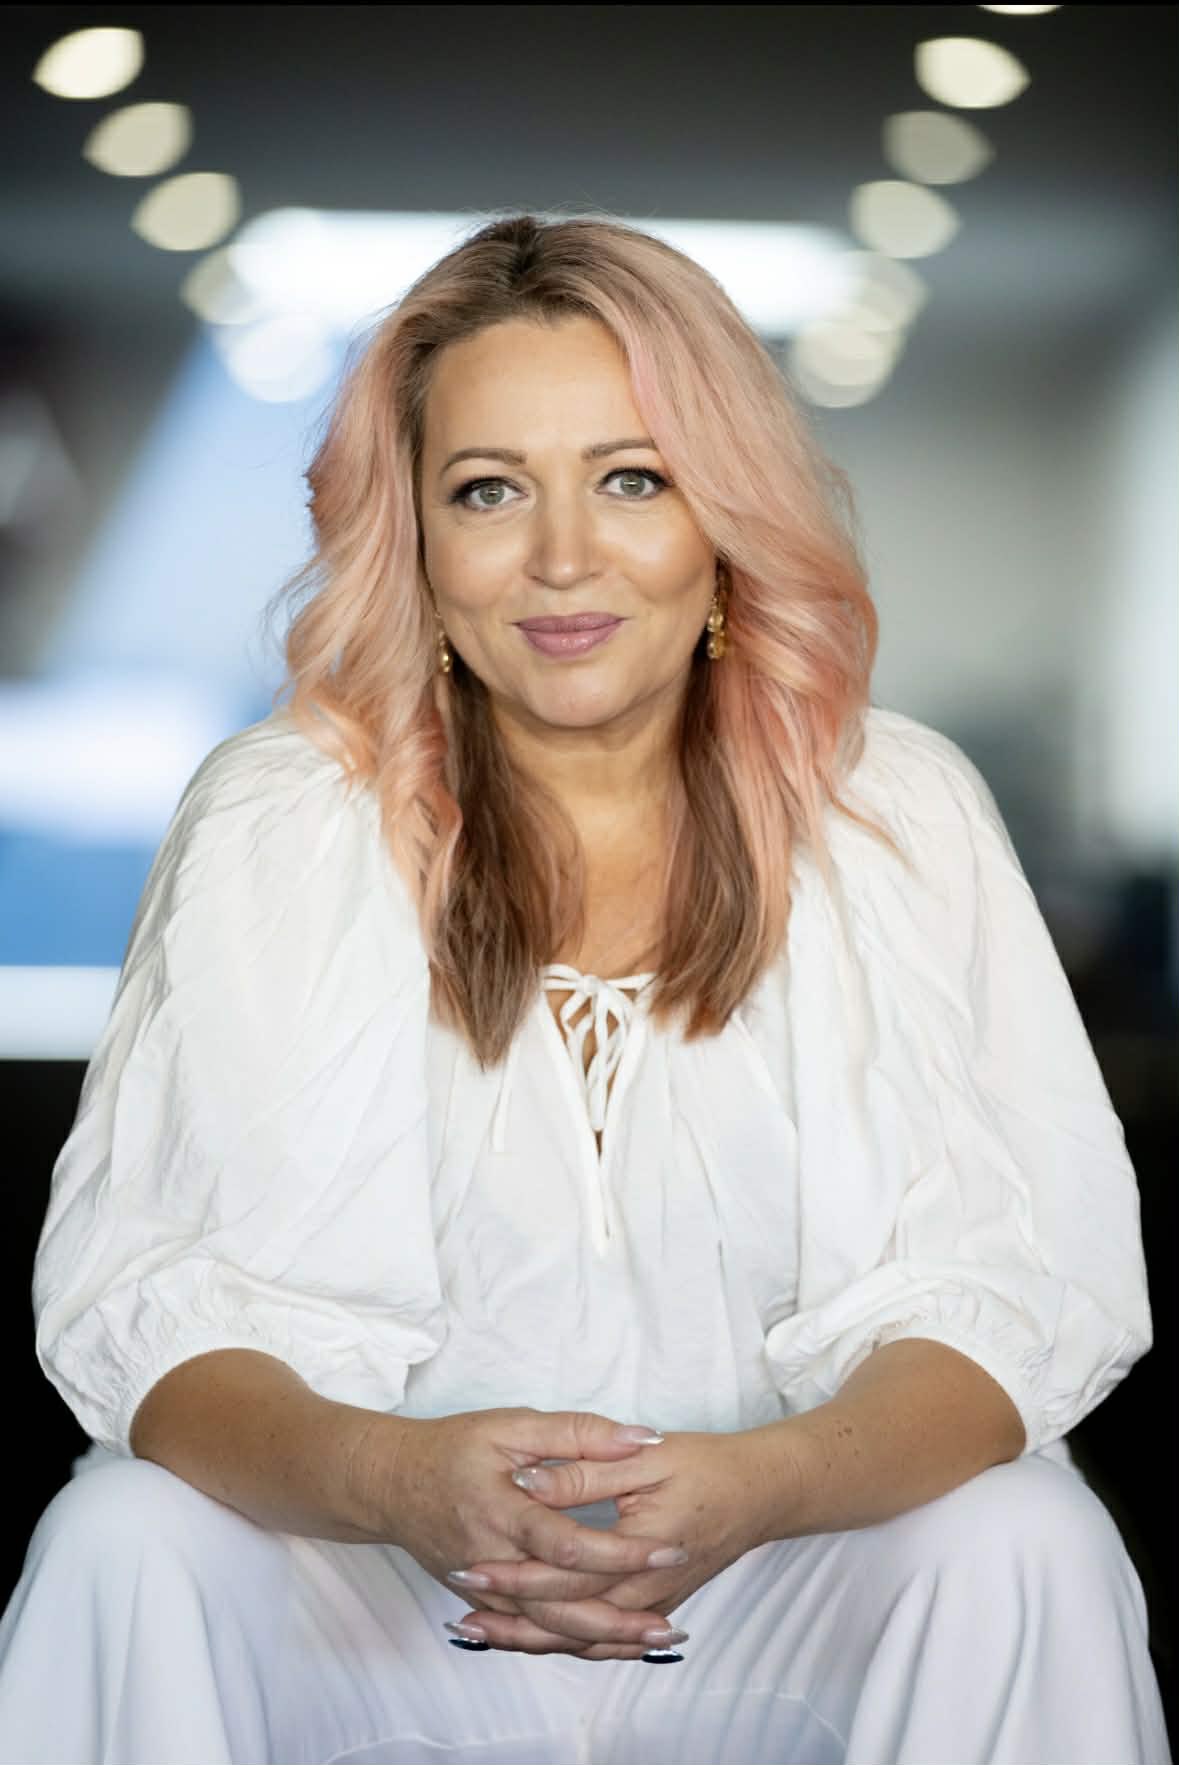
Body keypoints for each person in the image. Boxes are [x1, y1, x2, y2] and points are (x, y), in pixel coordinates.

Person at [0, 212, 1169, 1765]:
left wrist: (760, 1486)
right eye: (490, 491)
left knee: (1024, 1539)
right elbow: (145, 1314)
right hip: (371, 1592)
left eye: (632, 478)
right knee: (124, 1539)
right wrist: (396, 1482)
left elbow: (1019, 1297)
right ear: (414, 537)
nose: (563, 558)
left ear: (721, 518)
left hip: (778, 1579)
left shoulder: (898, 808)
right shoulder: (280, 819)